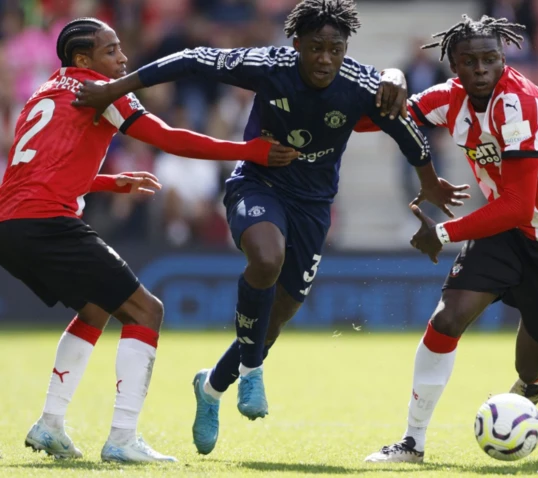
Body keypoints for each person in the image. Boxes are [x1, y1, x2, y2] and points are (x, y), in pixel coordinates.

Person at [73, 0, 470, 456]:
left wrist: (430, 182)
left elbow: (405, 131)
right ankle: (253, 371)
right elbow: (191, 60)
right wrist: (114, 90)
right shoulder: (267, 64)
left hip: (314, 206)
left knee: (277, 317)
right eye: (315, 47)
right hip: (257, 185)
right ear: (296, 44)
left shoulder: (359, 84)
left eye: (335, 49)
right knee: (266, 258)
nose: (325, 58)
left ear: (346, 49)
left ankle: (211, 387)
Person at [0, 17, 297, 463]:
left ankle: (50, 425)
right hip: (47, 222)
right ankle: (122, 438)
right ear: (84, 60)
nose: (122, 58)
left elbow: (34, 172)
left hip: (11, 225)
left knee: (97, 306)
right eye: (110, 50)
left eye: (120, 48)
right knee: (146, 310)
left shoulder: (44, 93)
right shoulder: (103, 90)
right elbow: (167, 137)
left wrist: (107, 183)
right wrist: (247, 151)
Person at [355, 15, 538, 463]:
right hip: (506, 233)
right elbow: (369, 122)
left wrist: (444, 232)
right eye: (469, 60)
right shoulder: (446, 99)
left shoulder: (519, 105)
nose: (480, 68)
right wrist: (391, 78)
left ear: (503, 58)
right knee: (448, 318)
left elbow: (515, 201)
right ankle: (412, 442)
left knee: (529, 367)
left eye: (490, 59)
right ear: (452, 64)